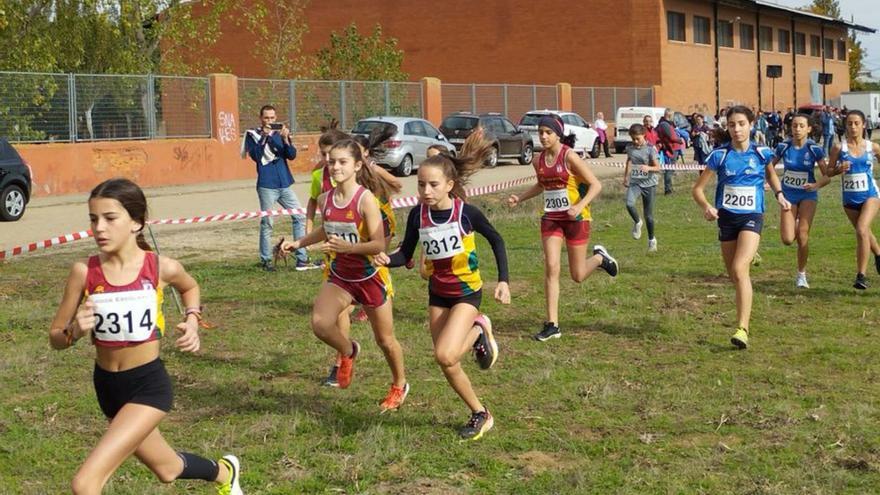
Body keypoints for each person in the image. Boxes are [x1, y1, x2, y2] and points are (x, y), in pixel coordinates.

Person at [48, 178, 242, 495]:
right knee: (167, 470)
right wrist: (75, 331)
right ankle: (225, 473)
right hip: (108, 388)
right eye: (93, 219)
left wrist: (192, 321)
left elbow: (190, 287)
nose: (99, 228)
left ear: (136, 222)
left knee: (85, 483)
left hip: (148, 386)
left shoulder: (160, 268)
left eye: (110, 218)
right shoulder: (84, 272)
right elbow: (56, 338)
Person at [374, 130, 510, 441]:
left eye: (433, 184)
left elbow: (497, 240)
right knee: (447, 360)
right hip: (438, 294)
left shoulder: (466, 213)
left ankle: (479, 328)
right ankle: (480, 413)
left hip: (465, 293)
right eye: (421, 184)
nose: (426, 190)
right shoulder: (416, 216)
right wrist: (386, 259)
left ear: (449, 185)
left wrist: (503, 280)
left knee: (446, 356)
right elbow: (406, 255)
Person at [281, 139, 409, 411]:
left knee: (385, 340)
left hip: (369, 276)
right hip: (341, 277)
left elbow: (378, 244)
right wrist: (299, 243)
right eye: (331, 162)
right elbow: (327, 230)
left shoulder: (366, 200)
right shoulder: (327, 198)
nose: (335, 167)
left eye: (342, 162)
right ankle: (349, 350)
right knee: (320, 324)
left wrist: (349, 247)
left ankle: (399, 384)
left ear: (357, 166)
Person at [507, 114, 618, 341]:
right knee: (551, 267)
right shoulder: (538, 160)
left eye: (548, 133)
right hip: (551, 218)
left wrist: (579, 206)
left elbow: (596, 185)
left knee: (577, 275)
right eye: (541, 133)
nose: (544, 137)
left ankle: (599, 258)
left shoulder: (569, 156)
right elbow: (541, 184)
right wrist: (520, 198)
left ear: (558, 134)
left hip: (576, 219)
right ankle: (552, 325)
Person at [691, 105, 790, 350]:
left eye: (741, 124)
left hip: (752, 216)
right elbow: (698, 189)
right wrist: (706, 207)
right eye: (732, 124)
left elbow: (771, 175)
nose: (736, 129)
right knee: (734, 275)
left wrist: (779, 194)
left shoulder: (761, 152)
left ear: (751, 124)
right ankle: (750, 253)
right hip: (726, 219)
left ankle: (742, 329)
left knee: (739, 267)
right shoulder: (720, 155)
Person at [242, 105, 316, 272]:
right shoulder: (253, 135)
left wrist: (285, 139)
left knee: (299, 217)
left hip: (284, 183)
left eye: (272, 118)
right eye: (266, 118)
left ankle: (302, 259)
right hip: (267, 185)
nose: (270, 121)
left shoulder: (280, 133)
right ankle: (266, 260)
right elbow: (256, 156)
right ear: (261, 119)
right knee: (267, 222)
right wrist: (265, 137)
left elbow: (291, 154)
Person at [772, 114, 830, 288]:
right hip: (788, 195)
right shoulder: (783, 146)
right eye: (794, 126)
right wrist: (772, 185)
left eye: (801, 126)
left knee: (803, 236)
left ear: (809, 129)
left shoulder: (814, 149)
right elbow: (769, 168)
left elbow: (827, 176)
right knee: (788, 239)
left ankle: (801, 275)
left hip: (807, 195)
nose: (797, 129)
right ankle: (794, 222)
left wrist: (816, 185)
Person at [825, 110, 880, 290]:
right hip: (849, 198)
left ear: (864, 125)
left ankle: (861, 276)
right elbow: (828, 172)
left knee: (862, 229)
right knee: (864, 232)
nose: (853, 127)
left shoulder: (873, 147)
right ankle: (879, 255)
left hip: (870, 195)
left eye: (857, 123)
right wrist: (839, 169)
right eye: (849, 123)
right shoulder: (839, 148)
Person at [623, 123, 661, 251]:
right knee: (629, 203)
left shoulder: (651, 149)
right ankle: (637, 222)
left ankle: (651, 240)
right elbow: (629, 161)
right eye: (633, 139)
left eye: (637, 138)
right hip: (635, 182)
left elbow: (658, 168)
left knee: (648, 215)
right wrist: (626, 177)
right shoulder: (630, 148)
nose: (635, 141)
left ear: (644, 135)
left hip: (649, 184)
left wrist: (648, 168)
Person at [656, 108, 684, 194]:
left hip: (673, 148)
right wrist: (680, 140)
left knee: (670, 170)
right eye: (673, 116)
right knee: (669, 170)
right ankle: (668, 190)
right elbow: (672, 137)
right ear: (669, 115)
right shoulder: (665, 124)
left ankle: (670, 188)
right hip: (671, 149)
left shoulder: (667, 124)